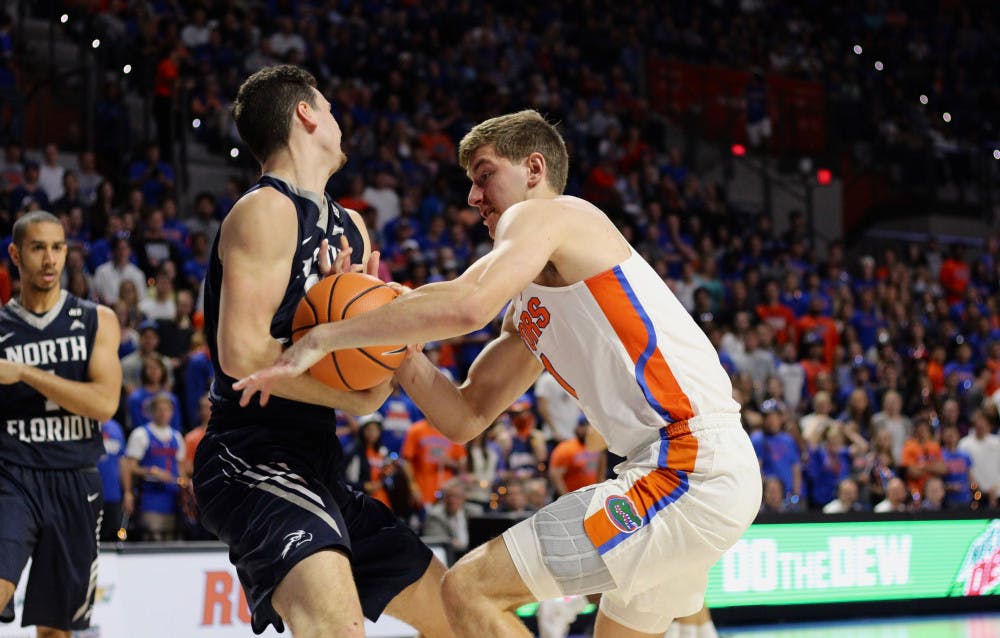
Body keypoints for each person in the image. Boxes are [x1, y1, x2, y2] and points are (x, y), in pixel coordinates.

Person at [237, 109, 761, 637]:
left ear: (534, 168)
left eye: (485, 175)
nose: (473, 197)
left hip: (687, 466)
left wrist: (333, 333)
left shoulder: (551, 214)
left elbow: (467, 306)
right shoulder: (532, 298)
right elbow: (465, 415)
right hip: (682, 471)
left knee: (468, 589)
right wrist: (380, 333)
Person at [190, 66, 453, 638]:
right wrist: (355, 397)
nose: (338, 120)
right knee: (338, 628)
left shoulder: (351, 228)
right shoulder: (266, 209)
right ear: (307, 113)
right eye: (330, 108)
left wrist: (386, 338)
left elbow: (360, 371)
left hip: (320, 460)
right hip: (250, 455)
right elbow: (240, 355)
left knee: (462, 615)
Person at [0, 211, 122, 637]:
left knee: (55, 631)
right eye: (37, 248)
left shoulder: (97, 320)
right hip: (11, 477)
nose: (49, 259)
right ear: (16, 254)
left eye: (57, 247)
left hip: (75, 480)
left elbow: (104, 404)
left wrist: (25, 373)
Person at [122, 392, 185, 541]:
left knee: (171, 537)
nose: (163, 413)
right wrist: (151, 471)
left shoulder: (176, 437)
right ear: (152, 412)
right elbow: (128, 466)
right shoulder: (141, 434)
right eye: (159, 409)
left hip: (172, 497)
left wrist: (185, 484)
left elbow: (181, 468)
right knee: (152, 535)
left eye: (167, 409)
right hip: (150, 497)